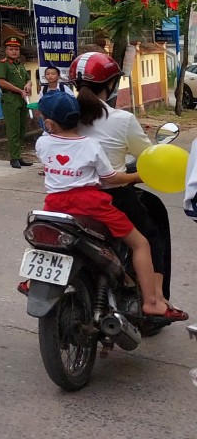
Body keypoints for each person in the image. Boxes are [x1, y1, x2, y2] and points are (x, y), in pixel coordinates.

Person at [73, 51, 185, 320]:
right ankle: (155, 298)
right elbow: (147, 158)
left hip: (67, 195)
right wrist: (136, 173)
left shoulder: (64, 116)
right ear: (110, 85)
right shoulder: (121, 119)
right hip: (112, 197)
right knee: (148, 237)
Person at [35, 90, 168, 317]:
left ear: (49, 123)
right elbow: (111, 179)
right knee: (140, 244)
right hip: (91, 204)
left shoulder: (42, 143)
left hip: (54, 204)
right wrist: (137, 177)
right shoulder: (90, 145)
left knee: (46, 240)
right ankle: (152, 302)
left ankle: (35, 281)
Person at [0, 35, 33, 169]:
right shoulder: (2, 64)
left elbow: (28, 79)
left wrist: (28, 85)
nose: (14, 51)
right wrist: (18, 90)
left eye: (16, 49)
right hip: (10, 99)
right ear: (6, 50)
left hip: (22, 99)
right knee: (13, 130)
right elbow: (1, 81)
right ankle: (14, 158)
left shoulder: (20, 64)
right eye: (11, 49)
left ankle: (19, 156)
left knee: (22, 128)